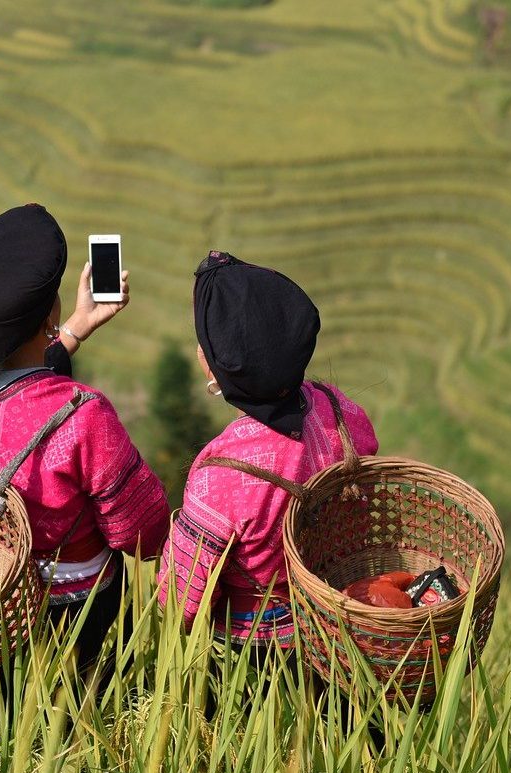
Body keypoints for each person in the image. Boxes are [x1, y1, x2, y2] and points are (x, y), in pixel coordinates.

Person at [0, 203, 168, 678]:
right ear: (50, 311)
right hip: (81, 616)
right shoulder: (84, 415)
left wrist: (76, 328)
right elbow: (140, 532)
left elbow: (16, 390)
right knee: (89, 718)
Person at [157, 251, 379, 654]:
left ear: (212, 367)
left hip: (256, 661)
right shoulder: (343, 414)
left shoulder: (217, 474)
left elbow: (182, 600)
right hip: (343, 633)